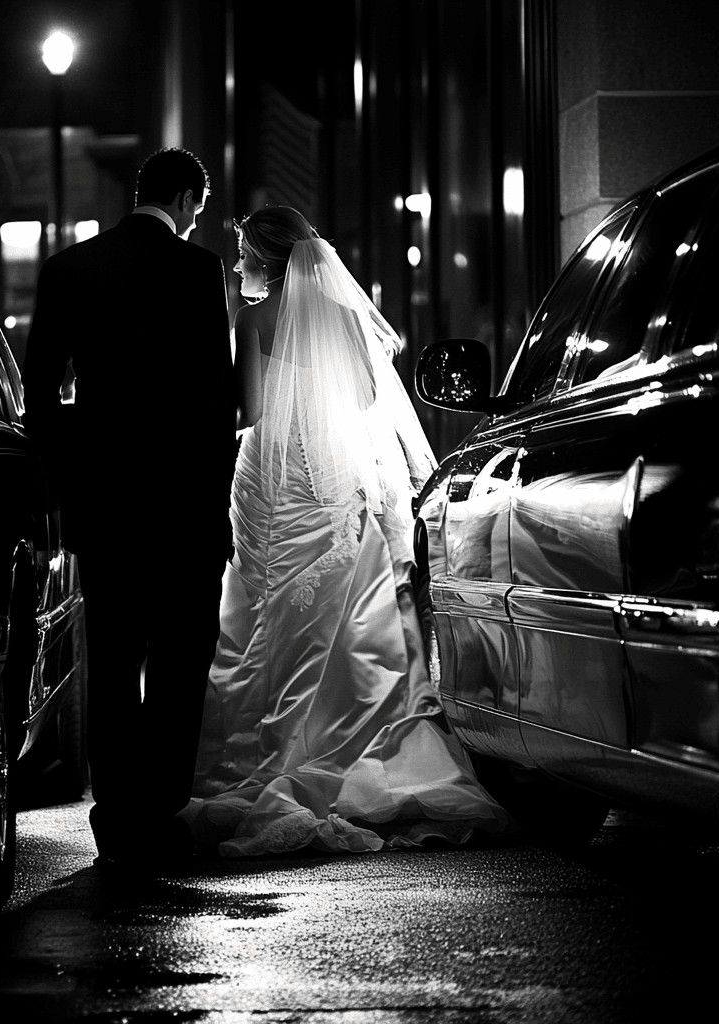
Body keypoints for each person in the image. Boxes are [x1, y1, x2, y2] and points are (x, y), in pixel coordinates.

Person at [180, 206, 511, 856]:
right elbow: (363, 398)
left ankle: (264, 763)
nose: (239, 263)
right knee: (350, 619)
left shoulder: (252, 318)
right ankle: (351, 752)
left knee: (259, 616)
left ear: (268, 260)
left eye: (245, 253)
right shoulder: (345, 316)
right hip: (333, 477)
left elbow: (248, 410)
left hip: (273, 476)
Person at [22, 147, 235, 871]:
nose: (195, 221)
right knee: (180, 664)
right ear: (181, 198)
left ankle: (115, 817)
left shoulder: (71, 270)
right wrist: (217, 502)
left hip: (106, 507)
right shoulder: (200, 273)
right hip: (185, 508)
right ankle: (160, 809)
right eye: (197, 210)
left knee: (112, 664)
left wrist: (72, 480)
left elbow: (39, 397)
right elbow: (217, 400)